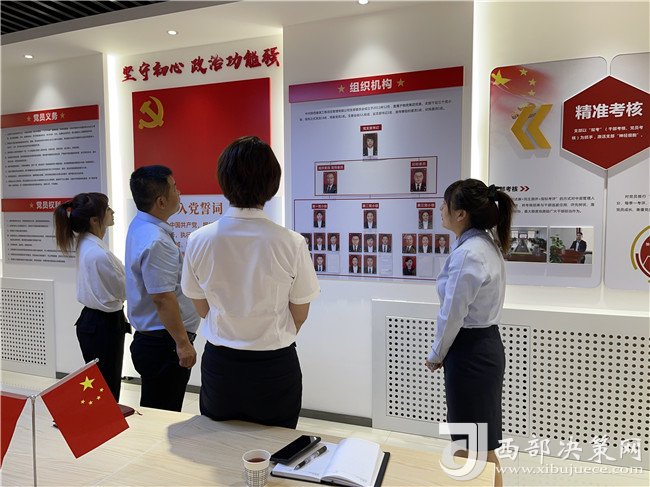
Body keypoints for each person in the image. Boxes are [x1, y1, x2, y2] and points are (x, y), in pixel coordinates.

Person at [181, 136, 320, 429]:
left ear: (223, 180)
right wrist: (268, 331)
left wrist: (231, 322)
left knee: (218, 440)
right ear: (272, 183)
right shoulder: (291, 242)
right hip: (274, 366)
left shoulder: (198, 240)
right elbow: (300, 312)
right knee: (276, 446)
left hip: (220, 364)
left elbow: (201, 307)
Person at [424, 179, 515, 487]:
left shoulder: (469, 253)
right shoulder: (484, 245)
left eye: (445, 204)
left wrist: (437, 353)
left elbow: (453, 313)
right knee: (480, 445)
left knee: (470, 447)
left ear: (461, 214)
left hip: (470, 353)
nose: (441, 209)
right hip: (483, 347)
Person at [126, 165, 200, 412]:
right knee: (163, 411)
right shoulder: (156, 240)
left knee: (156, 406)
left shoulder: (141, 225)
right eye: (175, 188)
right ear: (161, 201)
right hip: (164, 344)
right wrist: (183, 344)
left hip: (155, 340)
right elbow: (162, 298)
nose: (179, 192)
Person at [53, 193, 129, 402]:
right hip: (103, 325)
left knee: (103, 383)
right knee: (107, 385)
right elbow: (124, 290)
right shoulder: (98, 253)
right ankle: (103, 420)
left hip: (97, 322)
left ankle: (101, 419)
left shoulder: (87, 243)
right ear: (95, 220)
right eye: (108, 209)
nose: (113, 212)